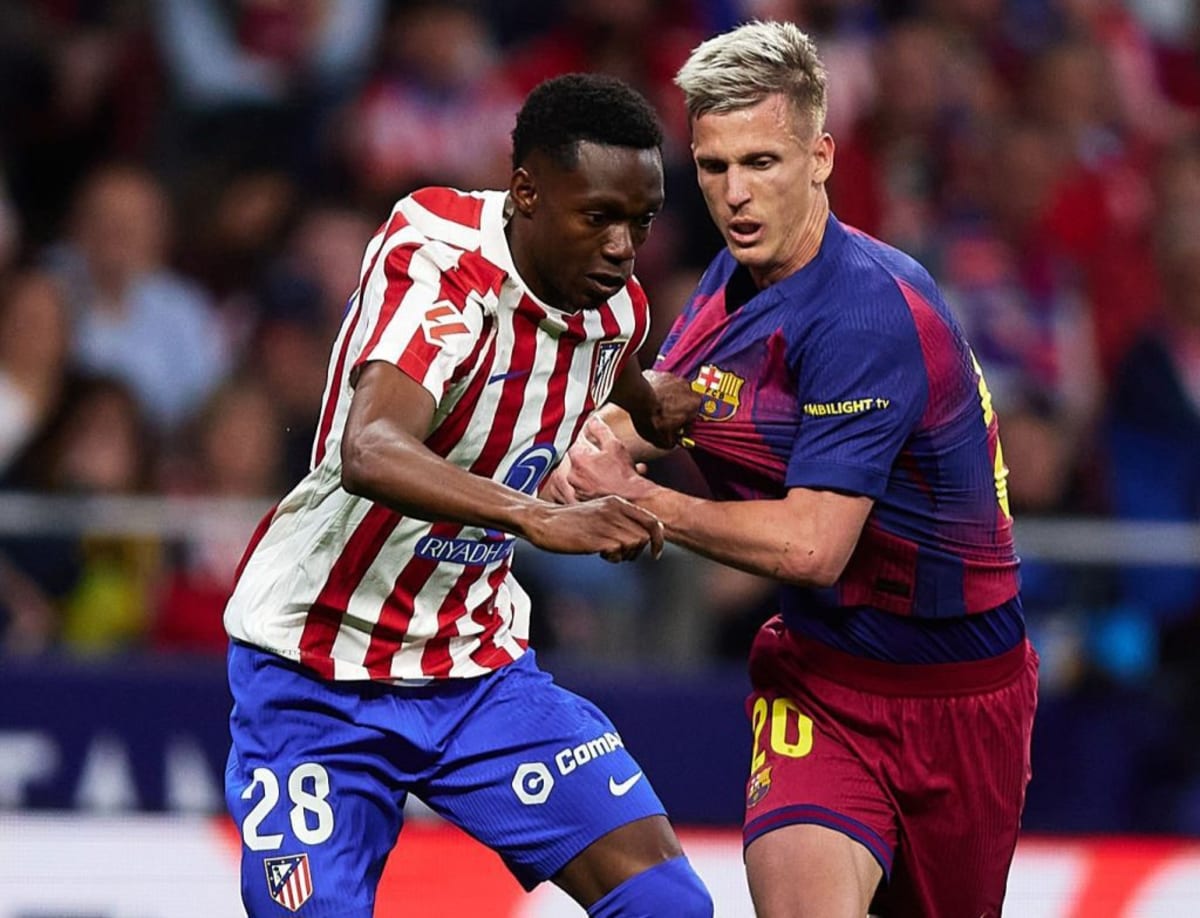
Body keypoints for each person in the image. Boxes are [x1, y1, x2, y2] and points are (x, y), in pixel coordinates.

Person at [557, 21, 1039, 918]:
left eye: (762, 164)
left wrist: (641, 501)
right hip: (819, 680)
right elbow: (683, 393)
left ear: (820, 156)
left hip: (960, 699)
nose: (734, 195)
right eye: (712, 167)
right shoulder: (733, 274)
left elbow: (816, 544)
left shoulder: (866, 316)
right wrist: (599, 437)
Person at [221, 73, 712, 917]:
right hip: (319, 669)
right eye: (599, 216)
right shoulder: (440, 257)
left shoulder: (615, 306)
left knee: (668, 905)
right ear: (525, 192)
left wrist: (649, 402)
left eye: (641, 221)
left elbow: (608, 351)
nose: (625, 247)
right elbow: (370, 449)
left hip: (475, 671)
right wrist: (539, 517)